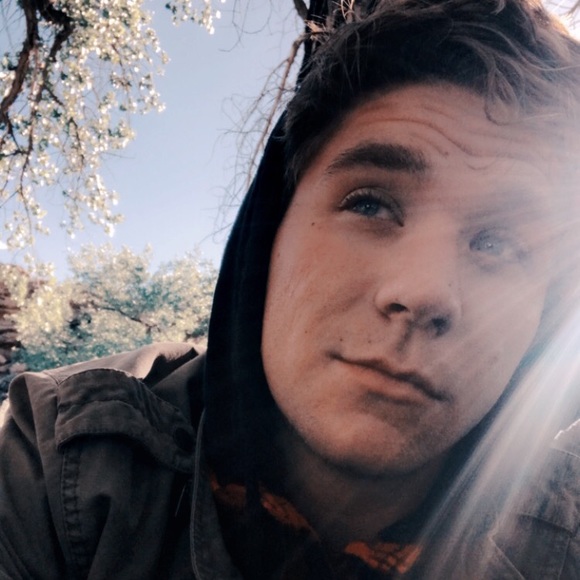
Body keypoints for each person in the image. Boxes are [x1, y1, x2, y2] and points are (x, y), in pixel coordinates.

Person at [2, 0, 580, 577]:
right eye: (370, 204)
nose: (424, 291)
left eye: (499, 243)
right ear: (268, 235)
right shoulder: (58, 466)